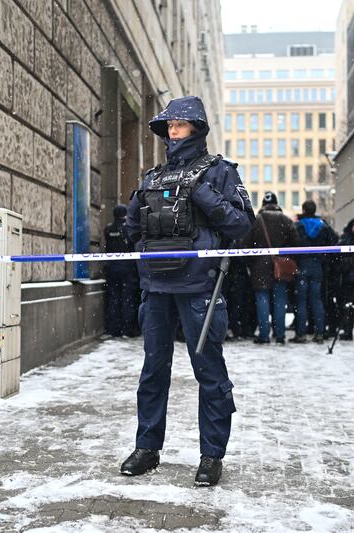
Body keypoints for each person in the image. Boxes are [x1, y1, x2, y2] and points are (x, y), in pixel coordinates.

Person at [120, 96, 254, 486]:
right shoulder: (152, 176)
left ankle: (212, 455)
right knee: (152, 371)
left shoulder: (221, 172)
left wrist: (203, 195)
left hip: (199, 288)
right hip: (156, 287)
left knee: (209, 371)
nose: (173, 130)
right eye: (169, 125)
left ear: (196, 127)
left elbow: (243, 225)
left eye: (180, 124)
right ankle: (147, 447)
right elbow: (131, 228)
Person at [242, 192, 299, 345]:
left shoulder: (256, 221)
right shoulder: (286, 220)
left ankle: (264, 335)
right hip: (280, 265)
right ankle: (280, 335)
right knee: (280, 300)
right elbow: (296, 242)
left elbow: (246, 244)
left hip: (259, 265)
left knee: (262, 300)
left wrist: (251, 262)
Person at [290, 200, 336, 344]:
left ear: (303, 210)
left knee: (301, 301)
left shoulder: (298, 226)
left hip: (302, 265)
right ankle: (320, 333)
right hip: (318, 266)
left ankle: (301, 334)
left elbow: (291, 243)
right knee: (317, 300)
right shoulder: (323, 226)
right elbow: (333, 241)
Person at [103, 204, 139, 337]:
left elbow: (107, 248)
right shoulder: (128, 229)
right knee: (128, 299)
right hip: (128, 268)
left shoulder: (108, 229)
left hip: (112, 268)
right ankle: (127, 329)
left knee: (114, 298)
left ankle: (114, 328)